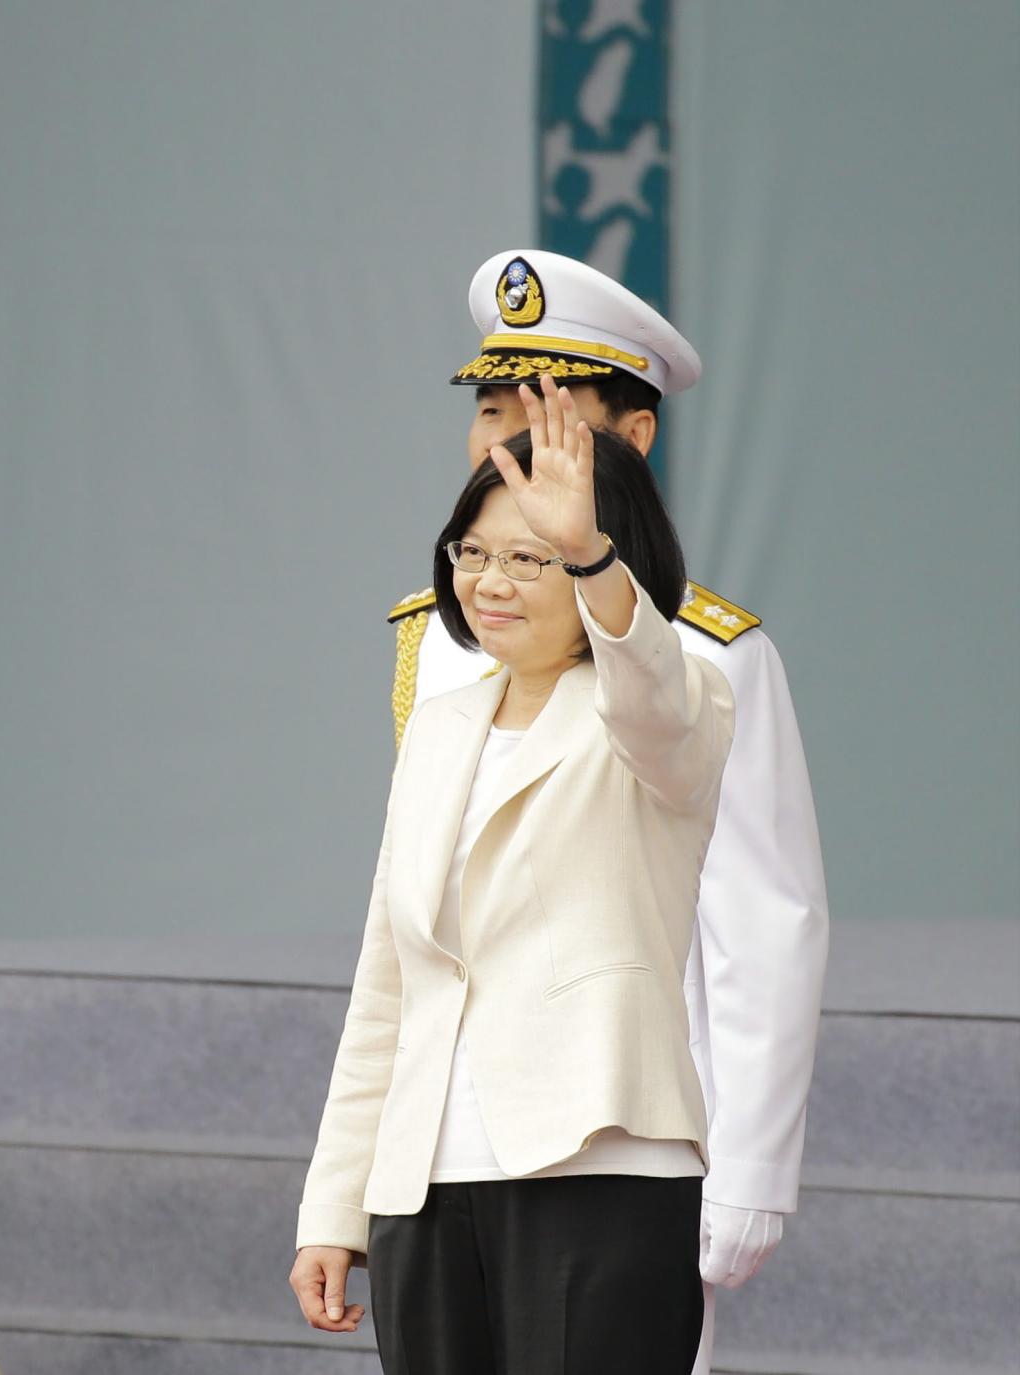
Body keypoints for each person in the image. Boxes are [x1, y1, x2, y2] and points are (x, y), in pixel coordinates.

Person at [388, 250, 829, 1373]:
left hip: (617, 1123)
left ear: (626, 440)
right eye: (488, 407)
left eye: (543, 413)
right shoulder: (436, 635)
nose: (503, 441)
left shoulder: (698, 652)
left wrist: (746, 1165)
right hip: (450, 1138)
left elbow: (758, 920)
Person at [293, 377, 735, 1372]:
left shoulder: (671, 698)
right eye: (474, 553)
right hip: (424, 1181)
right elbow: (387, 986)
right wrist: (334, 1206)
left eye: (527, 557)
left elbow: (651, 696)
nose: (489, 582)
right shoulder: (442, 728)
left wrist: (584, 553)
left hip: (596, 1164)